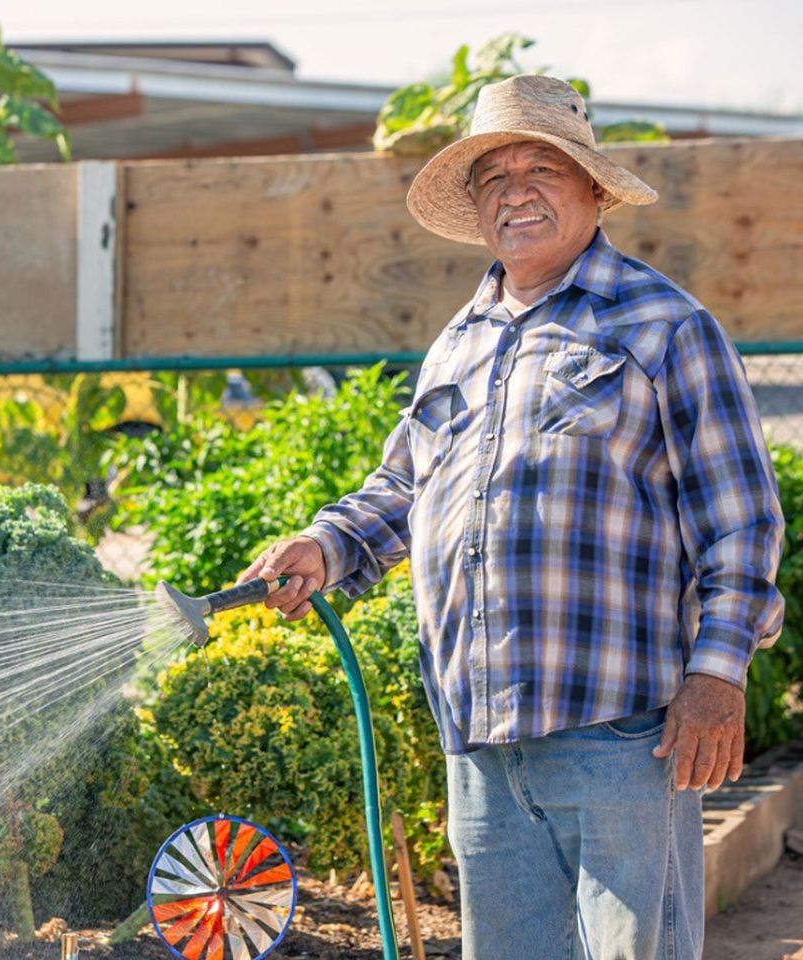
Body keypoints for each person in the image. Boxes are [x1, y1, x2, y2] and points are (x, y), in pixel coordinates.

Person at [237, 74, 785, 960]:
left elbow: (742, 524)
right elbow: (404, 491)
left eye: (544, 168)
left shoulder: (663, 326)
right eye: (494, 175)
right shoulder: (460, 340)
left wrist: (718, 677)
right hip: (482, 747)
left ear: (594, 188)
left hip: (621, 739)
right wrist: (327, 545)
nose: (516, 191)